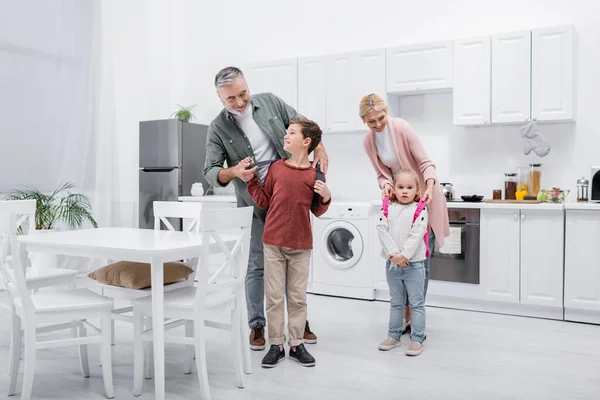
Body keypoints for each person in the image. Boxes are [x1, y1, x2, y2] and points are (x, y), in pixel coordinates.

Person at [203, 67, 329, 351]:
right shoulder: (217, 128)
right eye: (231, 98)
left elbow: (305, 126)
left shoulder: (270, 102)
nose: (239, 102)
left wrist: (319, 149)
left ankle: (298, 324)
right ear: (219, 97)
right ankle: (257, 325)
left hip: (288, 200)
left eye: (243, 93)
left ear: (248, 86)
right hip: (255, 205)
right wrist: (234, 171)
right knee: (258, 266)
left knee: (292, 265)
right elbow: (210, 171)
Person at [244, 118, 331, 368]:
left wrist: (326, 197)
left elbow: (317, 210)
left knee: (297, 297)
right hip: (272, 242)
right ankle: (275, 344)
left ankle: (296, 344)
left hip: (301, 245)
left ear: (305, 142)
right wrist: (251, 181)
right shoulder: (275, 169)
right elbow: (263, 201)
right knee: (273, 297)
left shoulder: (316, 173)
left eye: (291, 133)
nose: (285, 136)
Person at [360, 93, 449, 334]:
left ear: (386, 111)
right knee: (400, 250)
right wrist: (385, 185)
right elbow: (381, 174)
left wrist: (428, 187)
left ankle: (414, 310)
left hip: (422, 196)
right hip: (398, 201)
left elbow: (425, 163)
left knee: (419, 256)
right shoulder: (368, 141)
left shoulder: (402, 128)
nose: (378, 125)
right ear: (363, 121)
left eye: (381, 118)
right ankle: (407, 311)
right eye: (372, 122)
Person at [376, 169, 428, 356]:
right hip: (393, 265)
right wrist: (393, 254)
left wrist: (404, 255)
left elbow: (417, 233)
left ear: (417, 190)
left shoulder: (420, 209)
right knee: (396, 302)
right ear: (393, 189)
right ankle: (394, 336)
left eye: (409, 187)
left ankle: (417, 339)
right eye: (400, 187)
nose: (405, 191)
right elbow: (382, 229)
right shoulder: (387, 208)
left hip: (414, 266)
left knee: (416, 303)